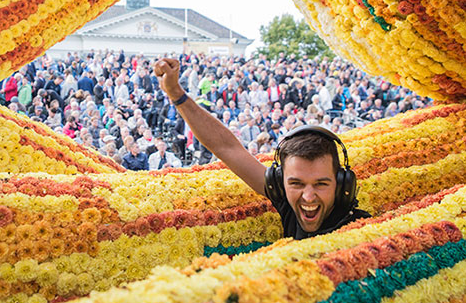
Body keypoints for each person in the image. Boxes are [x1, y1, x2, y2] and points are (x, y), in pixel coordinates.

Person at [154, 57, 369, 238]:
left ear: (342, 185)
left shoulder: (365, 229)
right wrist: (176, 94)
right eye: (296, 183)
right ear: (279, 182)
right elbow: (226, 147)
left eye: (321, 184)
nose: (309, 197)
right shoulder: (284, 197)